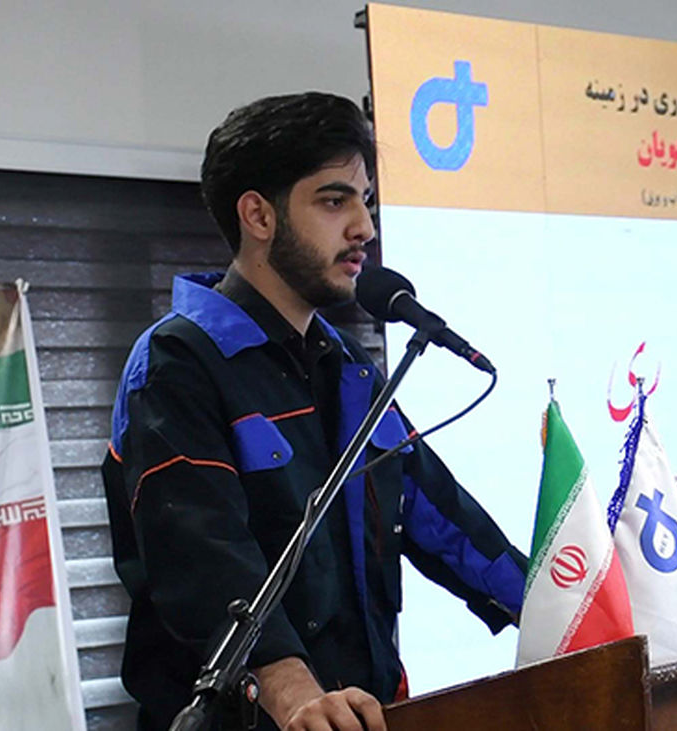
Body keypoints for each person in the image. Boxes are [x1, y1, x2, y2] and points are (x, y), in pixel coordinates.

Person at [102, 92, 528, 731]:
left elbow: (444, 519)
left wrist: (567, 609)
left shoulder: (350, 368)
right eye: (335, 201)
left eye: (366, 202)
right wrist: (289, 688)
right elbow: (199, 551)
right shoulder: (176, 364)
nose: (364, 228)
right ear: (258, 215)